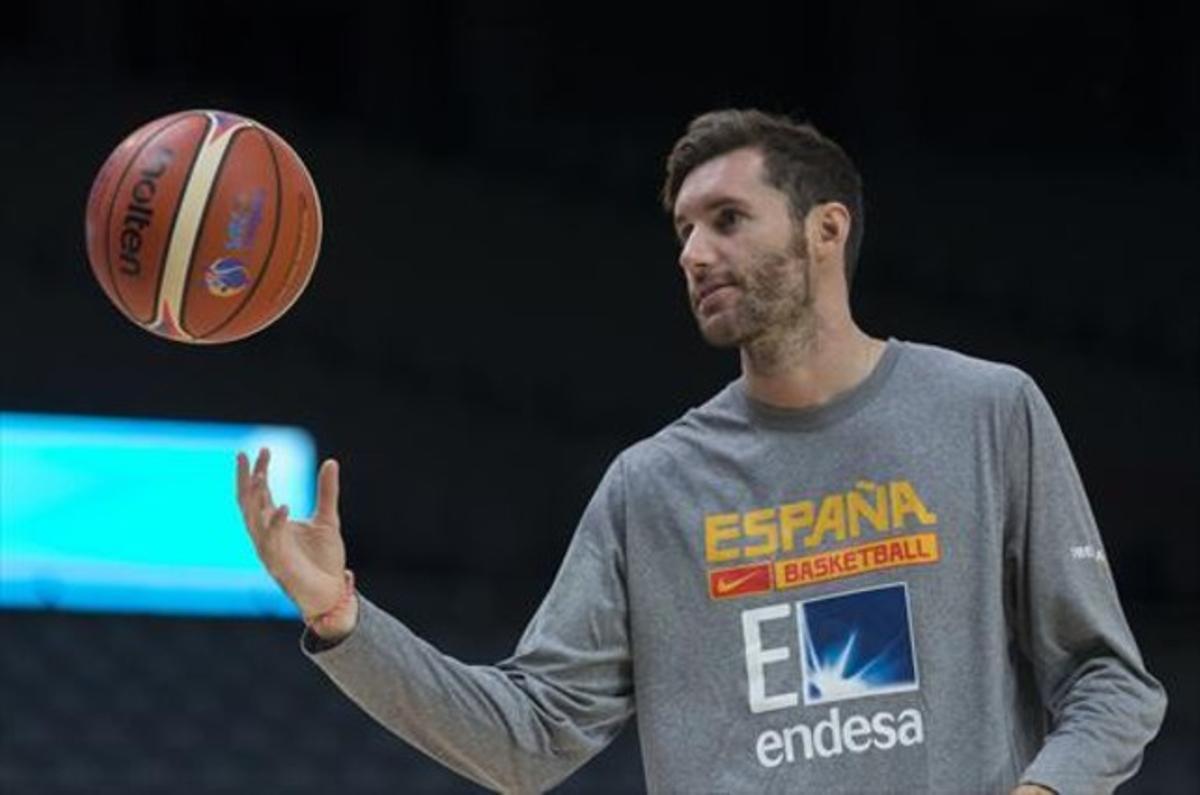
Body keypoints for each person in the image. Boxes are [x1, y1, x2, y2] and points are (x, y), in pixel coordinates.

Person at [235, 109, 1166, 794]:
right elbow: (526, 736)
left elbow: (1109, 682)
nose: (692, 252)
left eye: (727, 219)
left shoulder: (985, 411)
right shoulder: (653, 486)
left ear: (825, 229)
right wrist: (339, 615)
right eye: (683, 229)